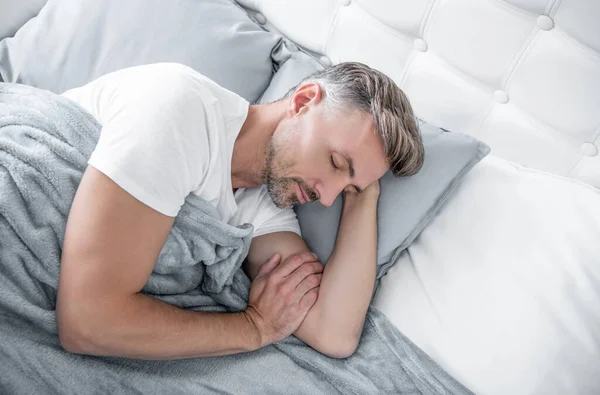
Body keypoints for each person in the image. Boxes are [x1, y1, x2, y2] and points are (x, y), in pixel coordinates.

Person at [56, 61, 424, 360]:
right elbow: (87, 321)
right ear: (303, 101)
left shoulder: (264, 206)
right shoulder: (182, 110)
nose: (326, 198)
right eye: (335, 162)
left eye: (345, 189)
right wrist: (253, 328)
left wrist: (363, 196)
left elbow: (333, 333)